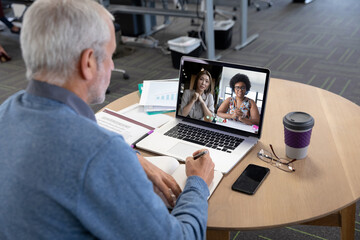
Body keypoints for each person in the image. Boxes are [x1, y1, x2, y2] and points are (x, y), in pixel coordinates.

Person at [0, 0, 215, 239]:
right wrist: (198, 182)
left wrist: (130, 157)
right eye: (111, 56)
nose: (113, 66)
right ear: (88, 62)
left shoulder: (7, 111)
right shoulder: (99, 152)